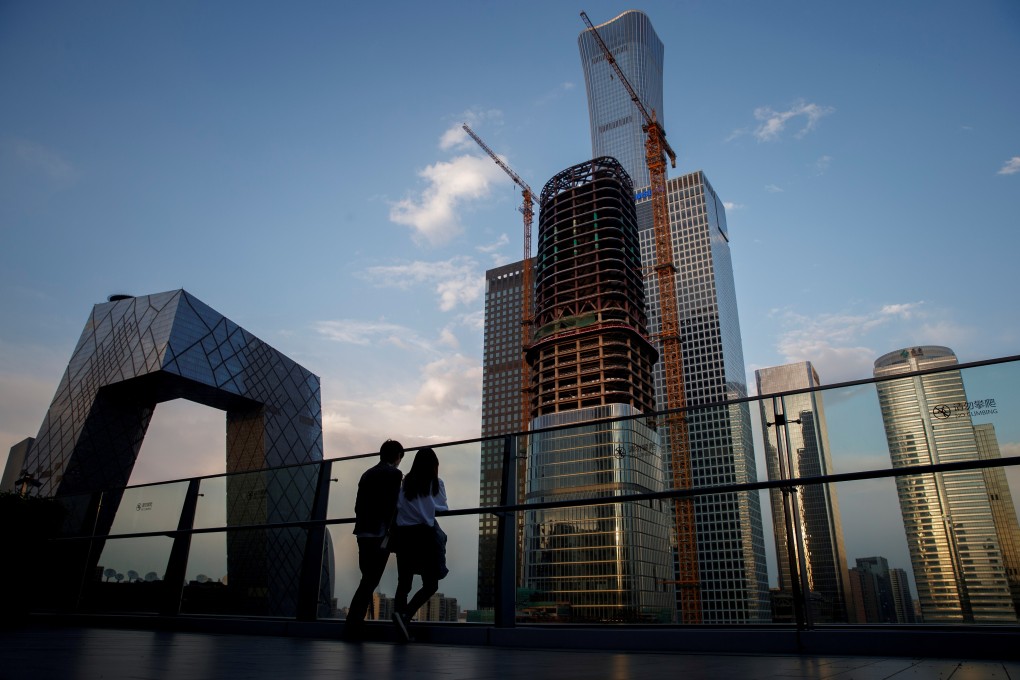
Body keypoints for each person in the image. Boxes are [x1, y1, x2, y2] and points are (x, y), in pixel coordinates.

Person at [343, 439, 404, 641]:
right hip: (380, 534)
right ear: (397, 457)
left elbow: (358, 506)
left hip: (362, 532)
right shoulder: (394, 474)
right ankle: (353, 624)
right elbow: (393, 505)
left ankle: (354, 623)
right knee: (370, 580)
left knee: (367, 578)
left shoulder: (367, 473)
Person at [391, 447, 448, 642]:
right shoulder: (436, 483)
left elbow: (398, 506)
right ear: (435, 465)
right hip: (424, 536)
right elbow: (443, 507)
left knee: (403, 583)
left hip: (403, 536)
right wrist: (430, 507)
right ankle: (405, 616)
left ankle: (401, 622)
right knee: (430, 584)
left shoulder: (407, 482)